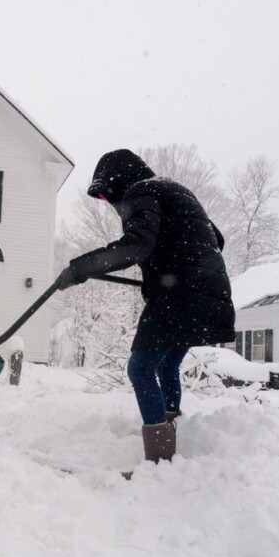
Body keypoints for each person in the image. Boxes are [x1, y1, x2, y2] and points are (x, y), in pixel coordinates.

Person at [56, 149, 236, 464]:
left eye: (106, 194)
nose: (110, 203)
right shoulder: (176, 191)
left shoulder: (143, 190)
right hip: (208, 292)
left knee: (140, 368)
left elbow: (136, 246)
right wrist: (170, 269)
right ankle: (170, 428)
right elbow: (215, 240)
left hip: (178, 296)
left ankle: (160, 460)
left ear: (120, 180)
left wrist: (79, 269)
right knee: (166, 365)